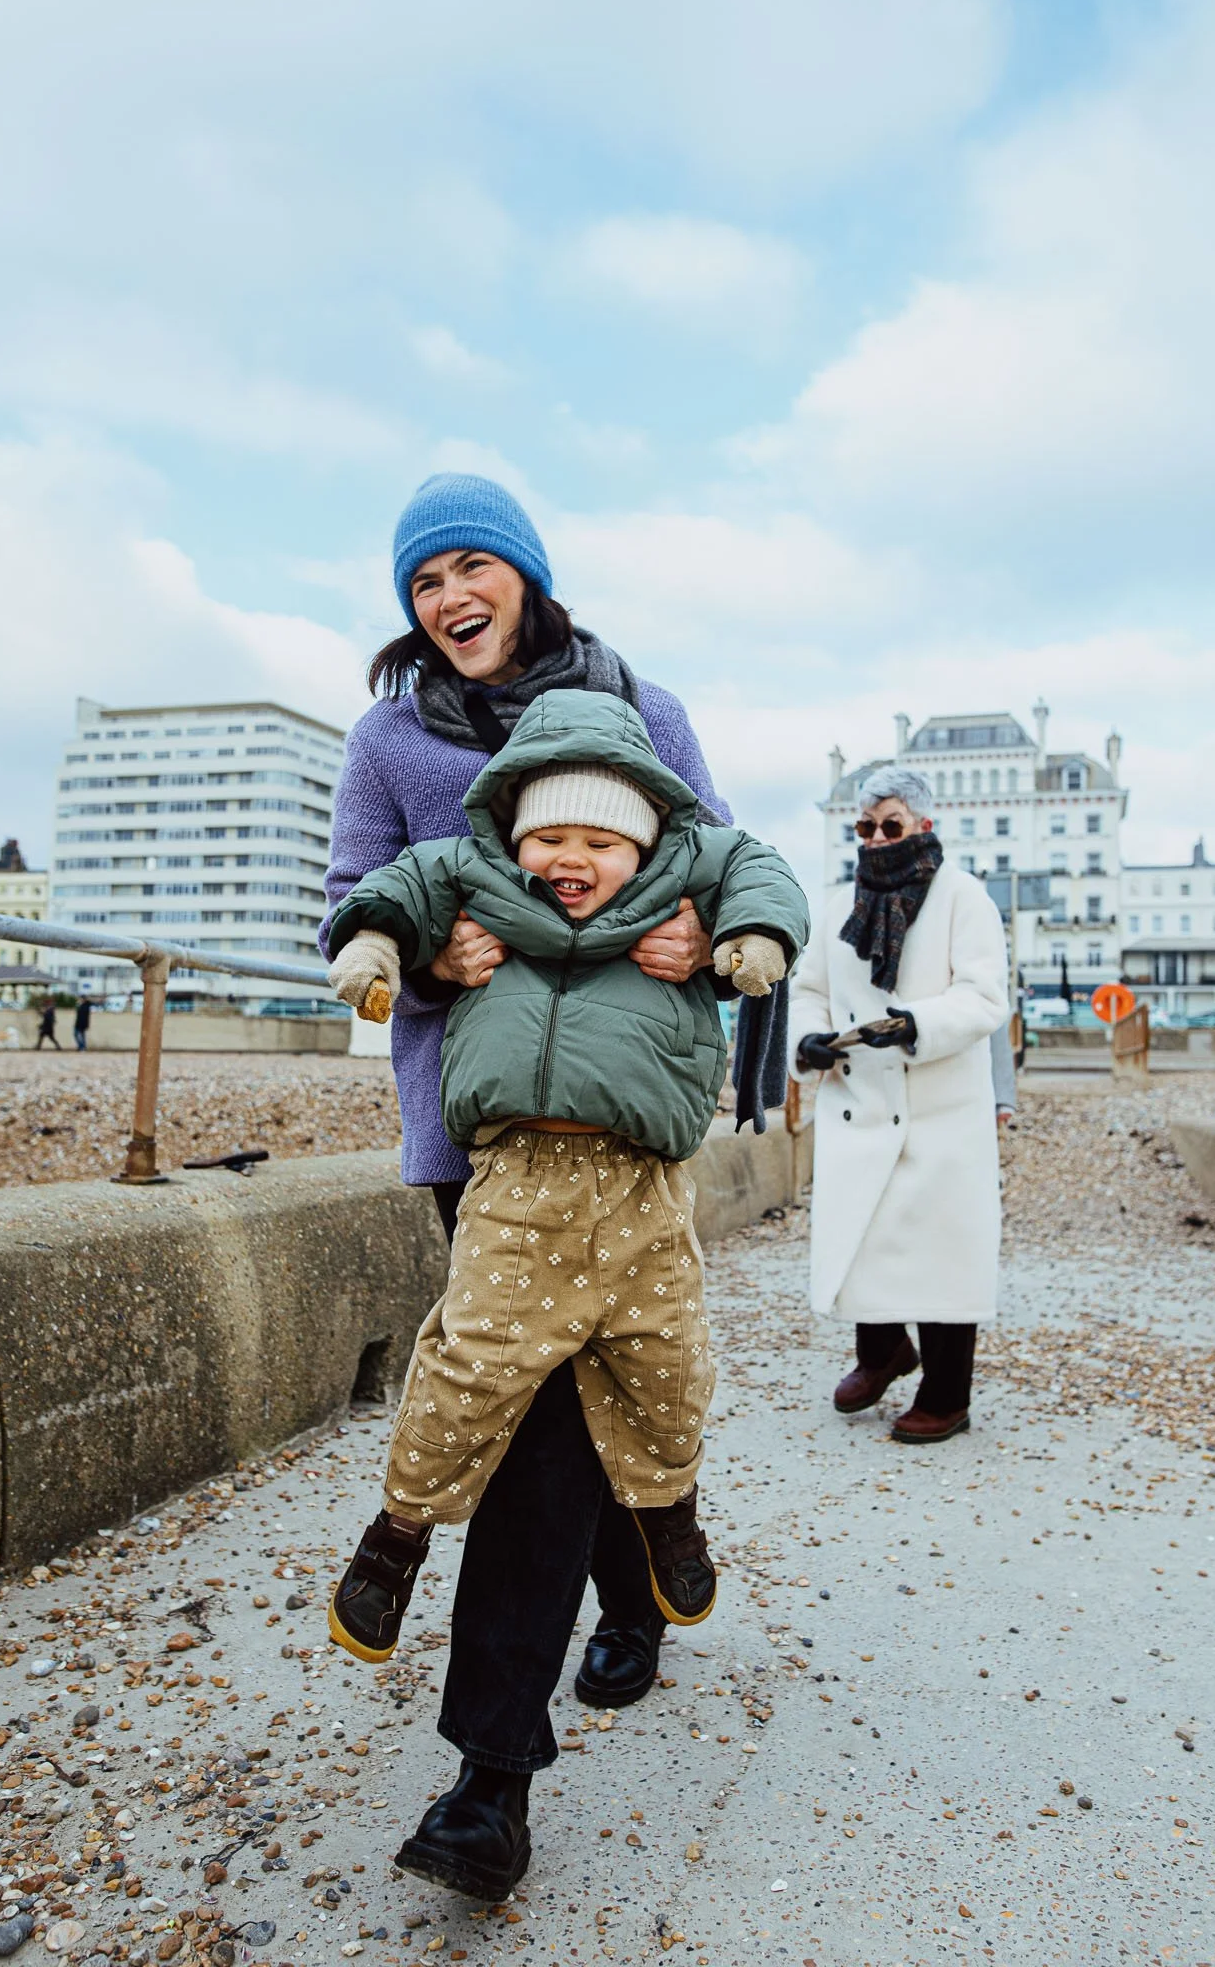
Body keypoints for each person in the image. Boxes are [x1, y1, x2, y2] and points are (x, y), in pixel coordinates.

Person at [319, 473, 743, 1897]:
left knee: (583, 1403)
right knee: (533, 1405)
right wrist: (428, 959)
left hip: (623, 1132)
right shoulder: (388, 739)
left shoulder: (647, 708)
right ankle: (575, 1660)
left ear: (523, 575)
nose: (446, 597)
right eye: (420, 581)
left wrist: (694, 939)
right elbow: (351, 897)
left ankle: (489, 1780)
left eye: (465, 567)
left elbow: (719, 867)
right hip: (478, 1128)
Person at [323, 691, 806, 1719]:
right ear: (511, 832)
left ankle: (671, 1512)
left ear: (642, 844)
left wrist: (749, 934)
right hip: (516, 1178)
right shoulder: (475, 873)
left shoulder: (683, 875)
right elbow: (388, 887)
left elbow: (756, 866)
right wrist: (375, 953)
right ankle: (398, 1533)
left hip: (641, 1178)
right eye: (548, 834)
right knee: (472, 1361)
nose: (570, 856)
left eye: (598, 838)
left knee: (663, 1358)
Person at [789, 764, 1007, 1443]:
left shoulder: (963, 897)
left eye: (891, 825)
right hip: (859, 1097)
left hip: (938, 1103)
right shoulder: (835, 904)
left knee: (943, 1250)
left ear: (922, 826)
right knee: (864, 1232)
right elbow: (809, 990)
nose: (877, 838)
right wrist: (808, 1041)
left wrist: (914, 1023)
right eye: (865, 827)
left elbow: (983, 996)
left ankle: (948, 1394)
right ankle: (880, 1352)